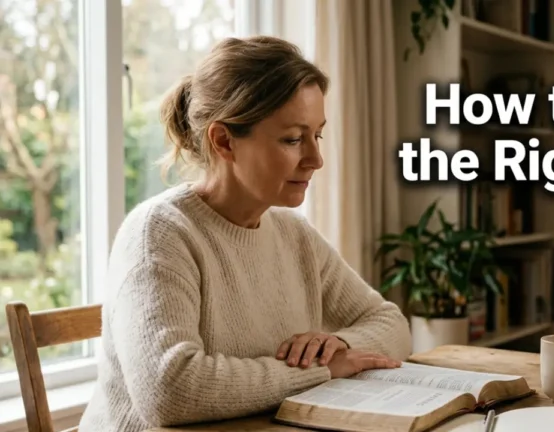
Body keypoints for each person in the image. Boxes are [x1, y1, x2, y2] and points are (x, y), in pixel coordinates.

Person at [78, 35, 412, 432]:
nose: (315, 159)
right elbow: (170, 390)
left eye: (317, 135)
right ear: (224, 141)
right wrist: (319, 370)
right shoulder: (159, 235)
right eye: (293, 139)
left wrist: (340, 345)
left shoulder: (295, 235)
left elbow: (391, 324)